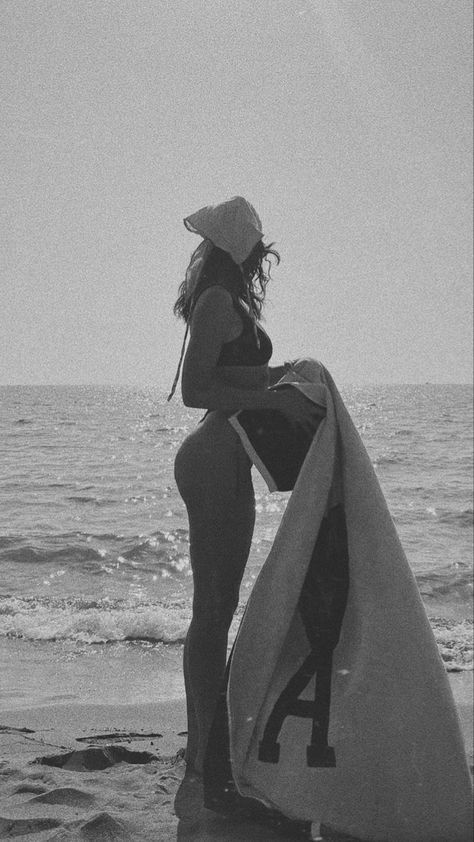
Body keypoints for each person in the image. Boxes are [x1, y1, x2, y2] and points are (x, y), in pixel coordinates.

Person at [170, 197, 323, 820]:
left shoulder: (228, 301)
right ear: (244, 250)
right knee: (212, 615)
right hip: (211, 457)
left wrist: (287, 380)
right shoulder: (214, 303)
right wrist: (277, 396)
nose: (263, 257)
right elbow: (196, 390)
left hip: (226, 458)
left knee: (218, 611)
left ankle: (206, 759)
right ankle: (209, 777)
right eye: (257, 248)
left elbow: (238, 382)